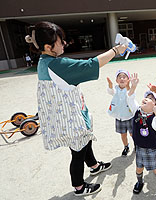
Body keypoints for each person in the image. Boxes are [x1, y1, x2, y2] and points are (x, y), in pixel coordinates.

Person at [25, 21, 128, 196]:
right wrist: (116, 50)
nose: (64, 44)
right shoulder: (57, 65)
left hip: (68, 113)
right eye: (60, 41)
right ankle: (79, 186)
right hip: (69, 118)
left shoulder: (44, 61)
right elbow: (90, 65)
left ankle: (94, 166)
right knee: (78, 152)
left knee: (84, 141)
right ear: (48, 47)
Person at [127, 73, 156, 197]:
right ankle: (140, 182)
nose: (146, 98)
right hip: (139, 147)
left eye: (151, 98)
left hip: (152, 149)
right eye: (147, 96)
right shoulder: (137, 111)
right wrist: (133, 87)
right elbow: (130, 99)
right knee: (138, 168)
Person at [107, 69, 134, 156]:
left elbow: (131, 94)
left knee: (132, 133)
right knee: (123, 134)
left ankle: (136, 145)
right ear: (117, 80)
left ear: (128, 80)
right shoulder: (115, 89)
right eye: (120, 77)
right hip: (119, 117)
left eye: (124, 77)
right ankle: (126, 146)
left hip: (129, 116)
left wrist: (129, 86)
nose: (122, 79)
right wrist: (110, 86)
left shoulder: (129, 89)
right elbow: (111, 92)